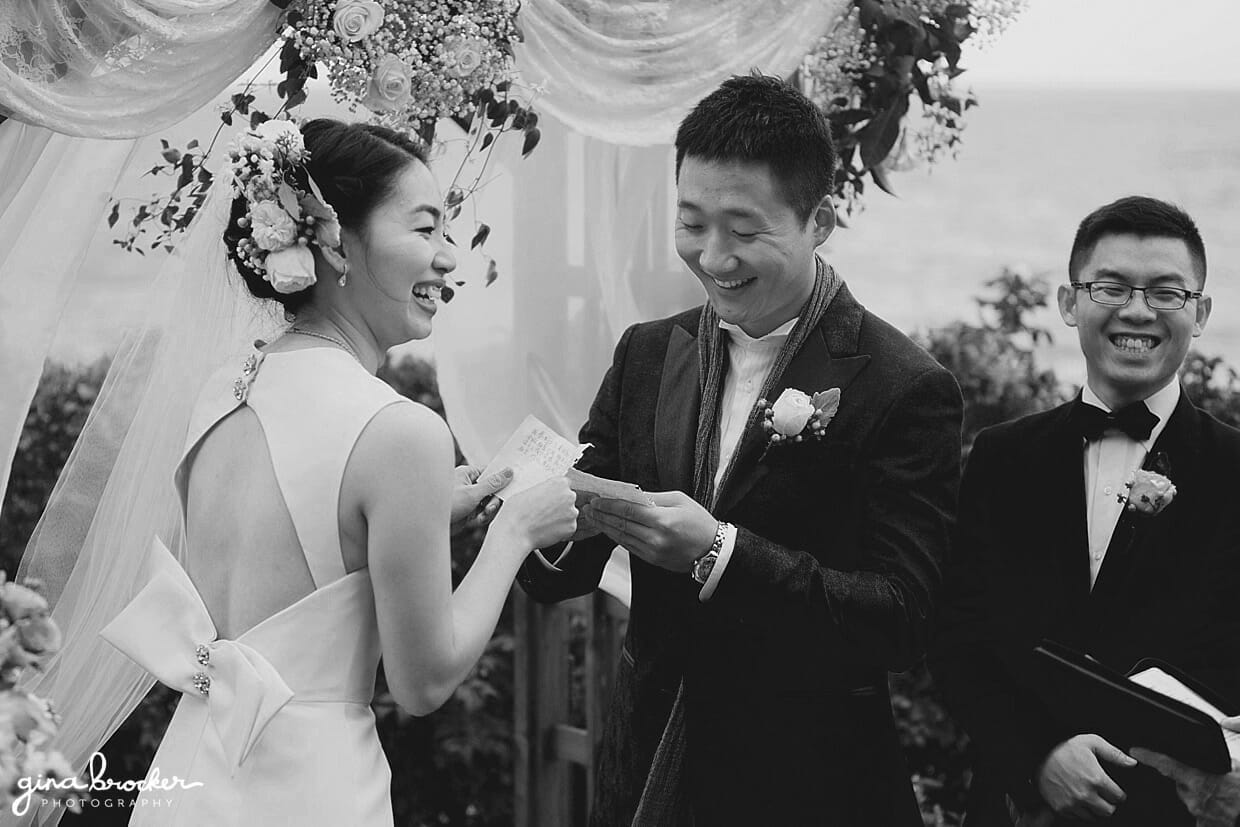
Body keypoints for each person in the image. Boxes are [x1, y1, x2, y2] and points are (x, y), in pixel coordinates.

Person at [78, 119, 579, 824]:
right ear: (339, 240)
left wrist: (422, 513)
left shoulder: (226, 388)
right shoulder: (400, 432)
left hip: (192, 772)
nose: (448, 257)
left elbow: (288, 549)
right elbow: (423, 678)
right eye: (426, 229)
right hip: (309, 786)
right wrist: (515, 532)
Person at [517, 73, 963, 826]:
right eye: (691, 222)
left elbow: (902, 618)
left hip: (810, 780)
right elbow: (562, 573)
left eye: (744, 230)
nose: (713, 255)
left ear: (820, 218)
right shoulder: (648, 354)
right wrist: (534, 514)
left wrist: (720, 551)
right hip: (647, 759)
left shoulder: (905, 385)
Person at [931, 196, 1240, 826]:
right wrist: (1037, 756)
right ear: (1071, 303)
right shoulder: (1003, 457)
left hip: (1180, 811)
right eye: (1112, 287)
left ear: (1200, 312)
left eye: (1166, 293)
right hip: (1018, 805)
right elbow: (959, 640)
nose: (1136, 311)